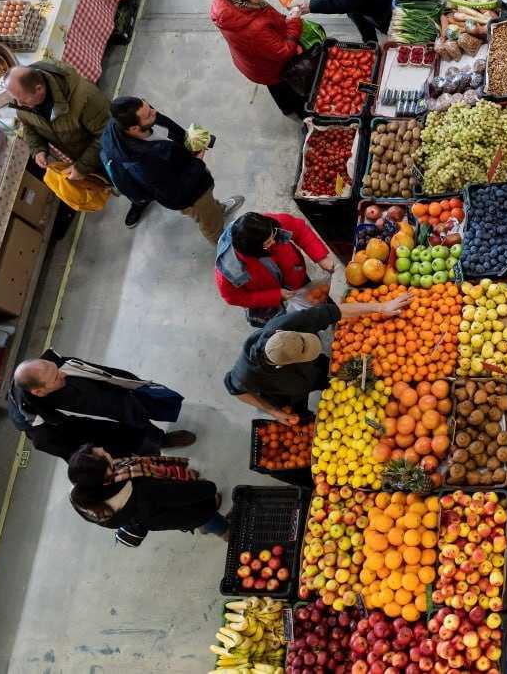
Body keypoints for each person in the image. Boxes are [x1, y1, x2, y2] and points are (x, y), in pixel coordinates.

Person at [224, 295, 411, 422]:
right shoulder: (246, 373)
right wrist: (274, 412)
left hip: (314, 369)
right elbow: (235, 390)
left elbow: (334, 312)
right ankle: (305, 414)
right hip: (287, 392)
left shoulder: (285, 324)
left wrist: (381, 307)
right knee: (300, 413)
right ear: (283, 365)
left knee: (332, 378)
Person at [3, 62, 143, 219]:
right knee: (115, 181)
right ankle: (134, 194)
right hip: (86, 157)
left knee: (132, 176)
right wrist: (38, 149)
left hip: (113, 153)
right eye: (16, 100)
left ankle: (142, 198)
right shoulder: (24, 102)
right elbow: (29, 126)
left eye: (22, 100)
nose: (19, 104)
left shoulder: (84, 97)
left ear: (39, 89)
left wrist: (82, 167)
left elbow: (108, 133)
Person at [9, 352, 195, 460]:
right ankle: (149, 452)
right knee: (119, 439)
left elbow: (103, 375)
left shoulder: (53, 368)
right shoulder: (43, 431)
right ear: (39, 392)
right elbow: (75, 454)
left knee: (130, 410)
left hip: (104, 404)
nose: (63, 374)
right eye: (56, 377)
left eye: (57, 370)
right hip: (81, 429)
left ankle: (160, 439)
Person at [101, 97, 244, 236]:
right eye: (149, 114)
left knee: (208, 206)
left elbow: (169, 127)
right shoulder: (144, 164)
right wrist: (198, 161)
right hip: (190, 194)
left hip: (186, 168)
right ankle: (221, 239)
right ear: (134, 128)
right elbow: (176, 192)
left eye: (149, 106)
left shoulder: (134, 119)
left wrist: (189, 141)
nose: (154, 112)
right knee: (209, 221)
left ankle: (217, 210)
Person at [67, 445, 229, 541]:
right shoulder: (141, 489)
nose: (102, 449)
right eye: (100, 454)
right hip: (187, 511)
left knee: (194, 520)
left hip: (164, 518)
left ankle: (204, 526)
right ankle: (226, 532)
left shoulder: (88, 498)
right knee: (206, 516)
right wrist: (208, 487)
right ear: (105, 471)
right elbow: (194, 493)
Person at [209, 0, 306, 116]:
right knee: (281, 87)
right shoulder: (255, 28)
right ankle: (296, 109)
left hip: (253, 62)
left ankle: (285, 107)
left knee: (274, 86)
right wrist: (294, 21)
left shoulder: (229, 1)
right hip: (269, 67)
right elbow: (284, 52)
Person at [216, 211, 336, 326]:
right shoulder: (230, 268)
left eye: (273, 236)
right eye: (267, 243)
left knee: (315, 298)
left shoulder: (267, 227)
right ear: (253, 250)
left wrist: (320, 257)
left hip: (294, 274)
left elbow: (300, 229)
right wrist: (274, 296)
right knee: (287, 324)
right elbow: (233, 297)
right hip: (265, 294)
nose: (274, 242)